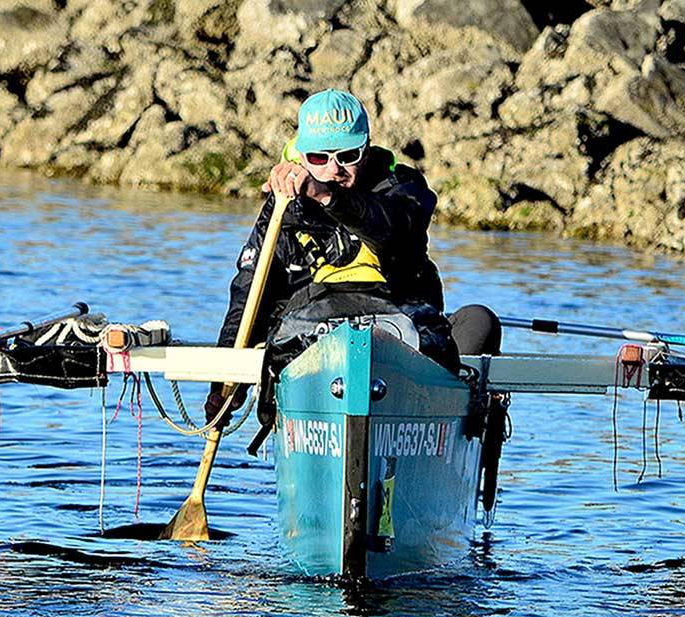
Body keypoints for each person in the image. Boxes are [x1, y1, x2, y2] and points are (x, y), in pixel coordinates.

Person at [206, 89, 498, 425]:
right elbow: (248, 296)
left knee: (479, 320)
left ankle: (466, 421)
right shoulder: (281, 206)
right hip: (313, 360)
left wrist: (326, 197)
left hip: (402, 349)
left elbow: (393, 230)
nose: (334, 169)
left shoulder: (404, 188)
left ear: (367, 149)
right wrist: (225, 387)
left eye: (347, 156)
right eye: (319, 158)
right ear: (301, 155)